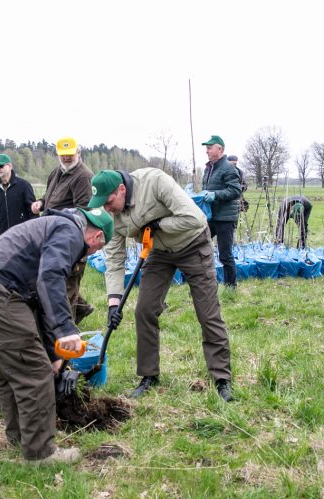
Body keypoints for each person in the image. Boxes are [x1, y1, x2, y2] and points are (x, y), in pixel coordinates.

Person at [0, 207, 114, 464]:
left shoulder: (51, 226)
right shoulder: (71, 233)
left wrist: (53, 354)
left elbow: (41, 299)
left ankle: (19, 439)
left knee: (9, 374)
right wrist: (66, 331)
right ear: (97, 238)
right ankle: (40, 454)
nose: (90, 256)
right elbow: (50, 278)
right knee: (35, 375)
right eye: (97, 250)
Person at [89, 168, 234, 402]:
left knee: (207, 312)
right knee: (144, 310)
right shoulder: (111, 215)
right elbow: (115, 258)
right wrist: (113, 303)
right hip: (158, 251)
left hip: (192, 243)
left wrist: (158, 225)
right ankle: (149, 376)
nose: (107, 209)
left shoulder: (155, 182)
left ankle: (221, 378)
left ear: (122, 190)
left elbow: (195, 218)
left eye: (109, 202)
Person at [31, 138, 96, 323]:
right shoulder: (56, 172)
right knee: (57, 280)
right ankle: (81, 309)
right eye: (63, 155)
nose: (67, 158)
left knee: (67, 283)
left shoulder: (83, 176)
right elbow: (50, 196)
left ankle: (65, 330)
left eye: (70, 154)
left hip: (70, 238)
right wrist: (41, 203)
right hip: (51, 234)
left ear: (79, 153)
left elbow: (83, 210)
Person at [201, 136, 243, 289]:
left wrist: (215, 195)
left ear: (220, 149)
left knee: (225, 254)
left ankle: (231, 286)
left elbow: (235, 191)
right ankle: (204, 283)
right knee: (199, 246)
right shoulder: (208, 168)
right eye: (206, 148)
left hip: (225, 218)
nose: (207, 150)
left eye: (210, 147)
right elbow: (207, 189)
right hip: (211, 216)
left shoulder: (228, 168)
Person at [0, 153, 36, 236]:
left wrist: (34, 232)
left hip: (22, 235)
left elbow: (33, 211)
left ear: (9, 166)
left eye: (0, 166)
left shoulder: (24, 185)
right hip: (1, 236)